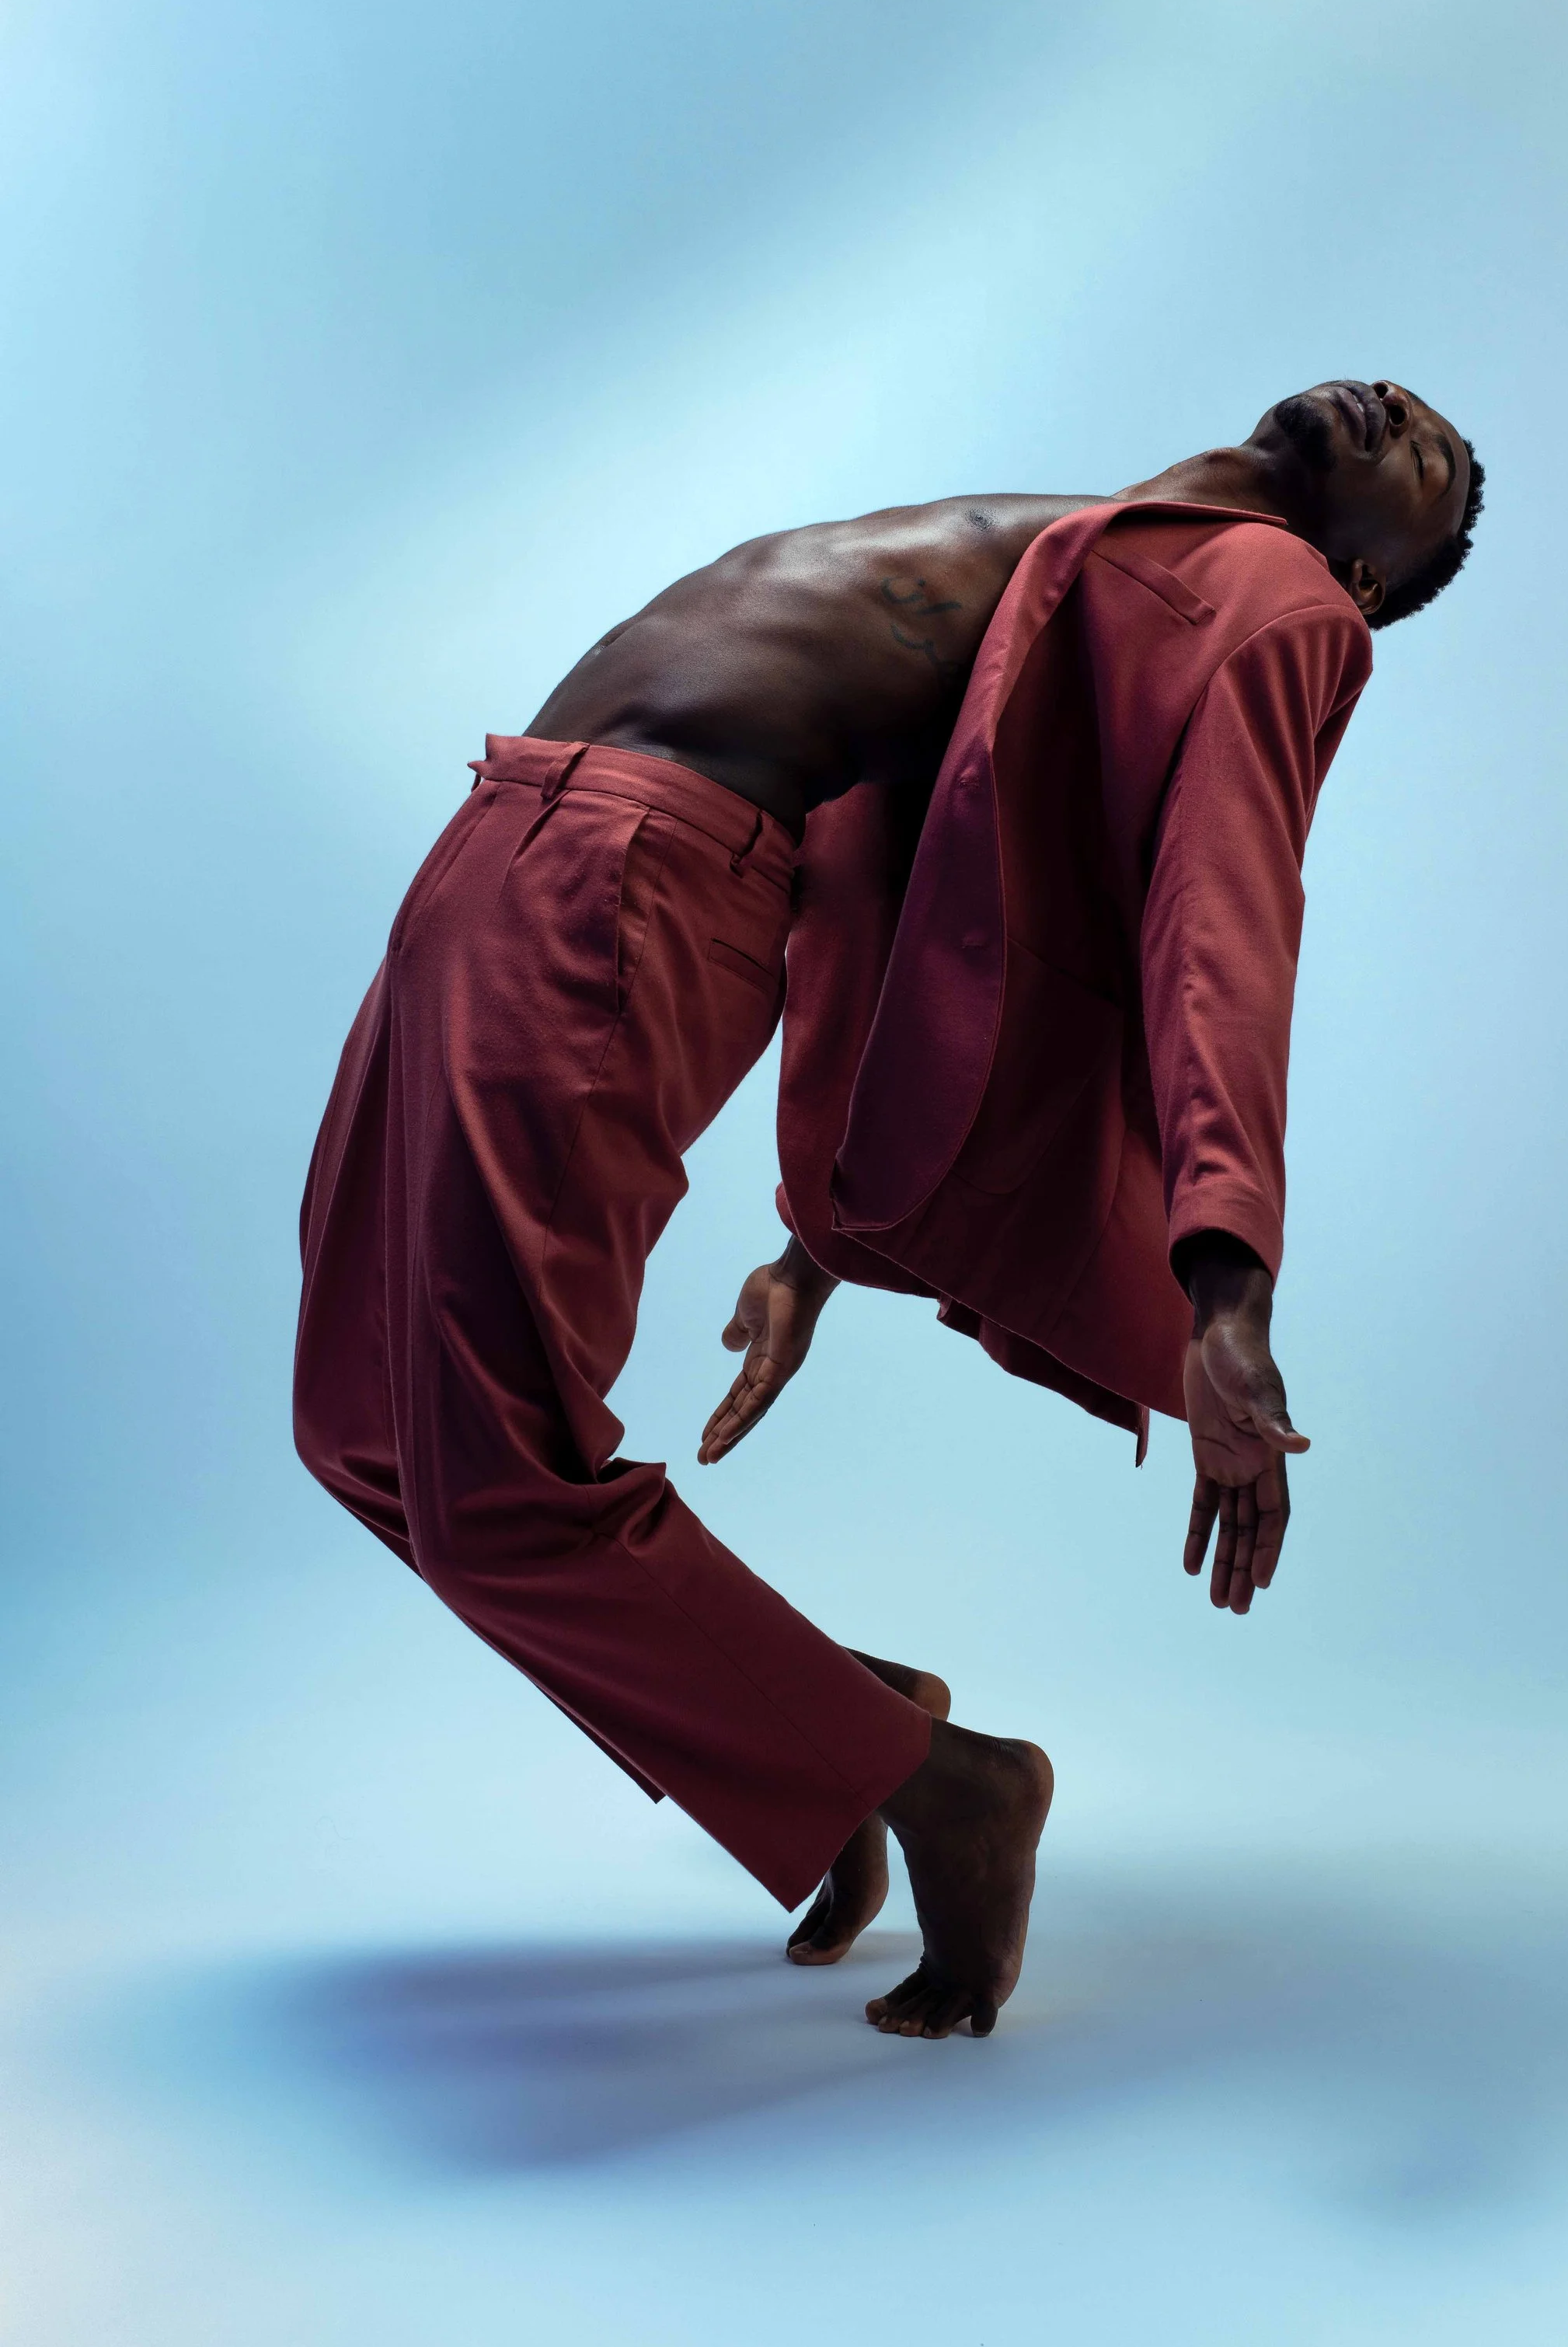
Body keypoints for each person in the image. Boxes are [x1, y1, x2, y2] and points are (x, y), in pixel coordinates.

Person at [294, 378, 1483, 2040]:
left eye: (1438, 467)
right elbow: (920, 899)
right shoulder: (1097, 562)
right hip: (507, 834)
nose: (1412, 418)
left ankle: (953, 1790)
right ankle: (836, 1735)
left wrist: (1228, 1290)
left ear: (1363, 580)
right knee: (359, 1430)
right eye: (1420, 419)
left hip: (626, 865)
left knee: (490, 1484)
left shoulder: (1276, 603)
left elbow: (1222, 927)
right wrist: (814, 1248)